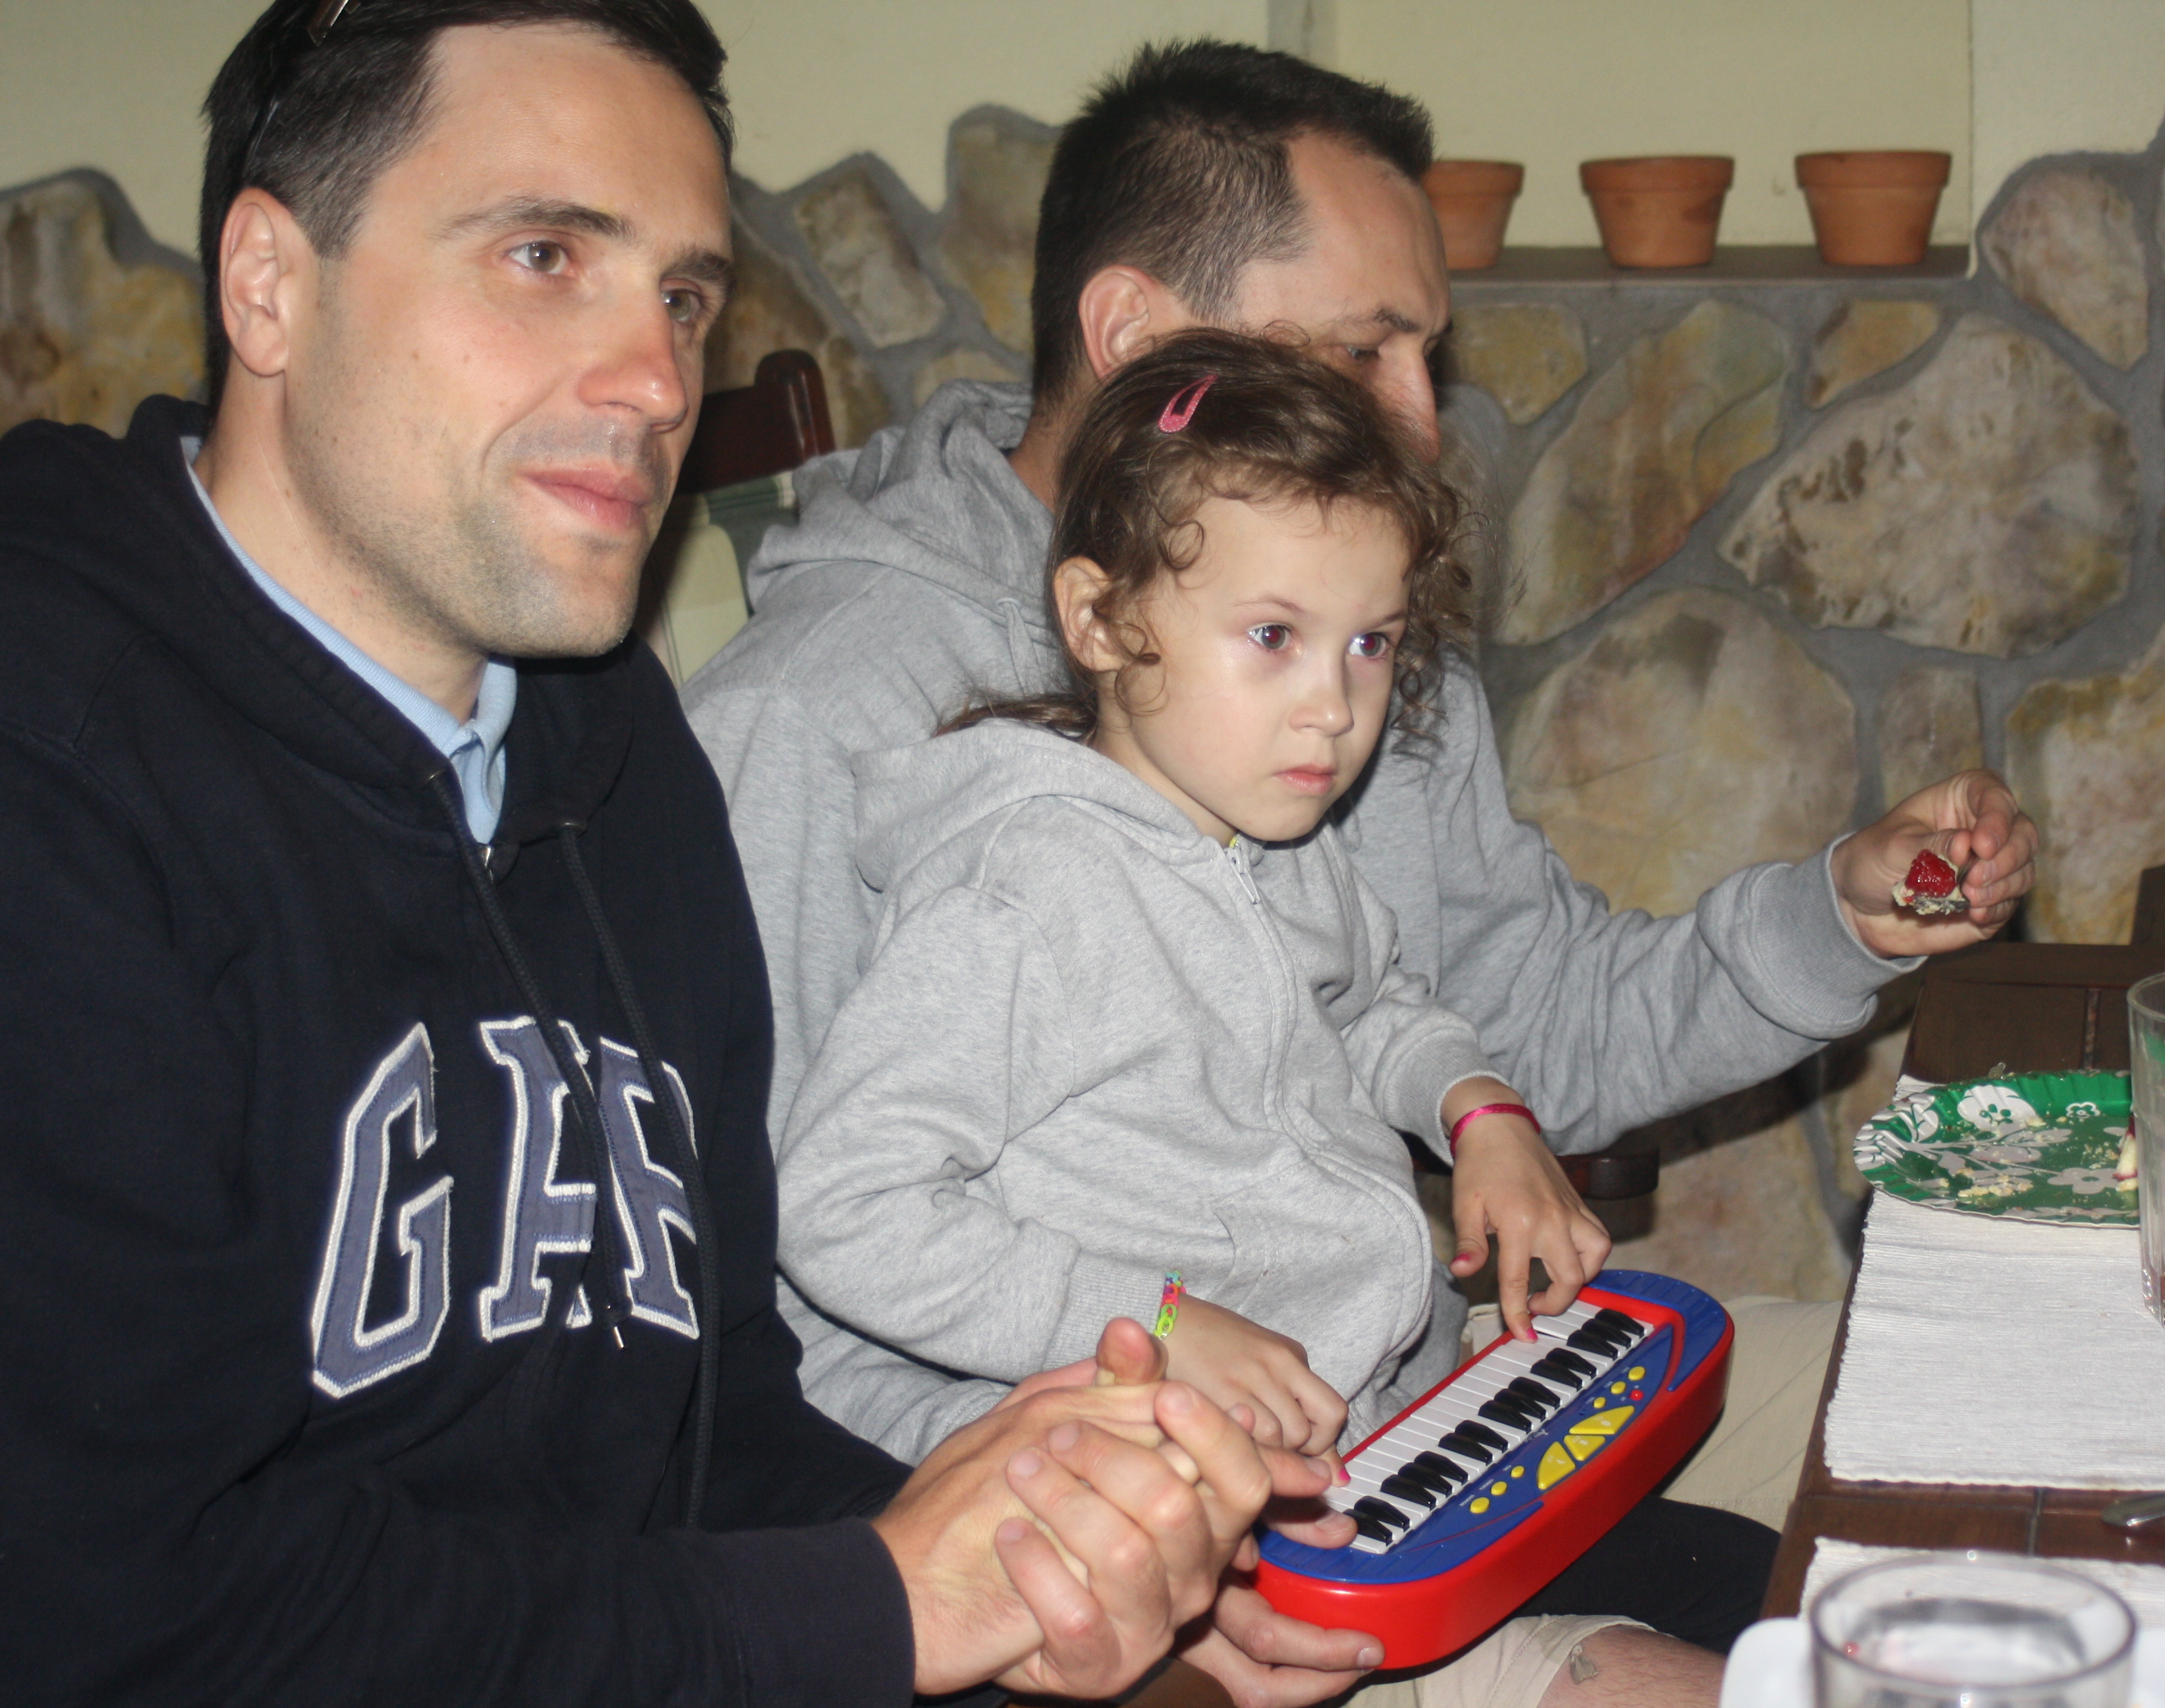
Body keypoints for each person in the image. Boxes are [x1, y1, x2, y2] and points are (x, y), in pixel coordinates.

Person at [0, 6, 1353, 1703]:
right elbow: (110, 1616)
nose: (655, 384)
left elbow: (713, 1422)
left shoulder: (615, 745)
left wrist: (1051, 1561)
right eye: (544, 256)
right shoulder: (54, 769)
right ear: (270, 283)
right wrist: (876, 1604)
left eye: (686, 300)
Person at [683, 31, 2037, 1543]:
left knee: (1998, 1414)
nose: (1424, 424)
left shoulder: (1335, 638)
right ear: (1136, 339)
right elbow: (772, 1336)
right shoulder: (813, 719)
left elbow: (1522, 1009)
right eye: (1361, 352)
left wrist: (1833, 916)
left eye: (1425, 358)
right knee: (1797, 1626)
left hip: (1419, 1400)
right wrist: (1146, 1528)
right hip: (1160, 1524)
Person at [779, 327, 1764, 1707]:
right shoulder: (1023, 898)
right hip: (1228, 1546)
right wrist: (1160, 1320)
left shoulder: (1263, 832)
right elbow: (842, 1207)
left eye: (1370, 645)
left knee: (1778, 1583)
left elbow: (1377, 1003)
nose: (1333, 709)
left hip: (1402, 1432)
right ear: (1100, 621)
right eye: (1273, 638)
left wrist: (1477, 1109)